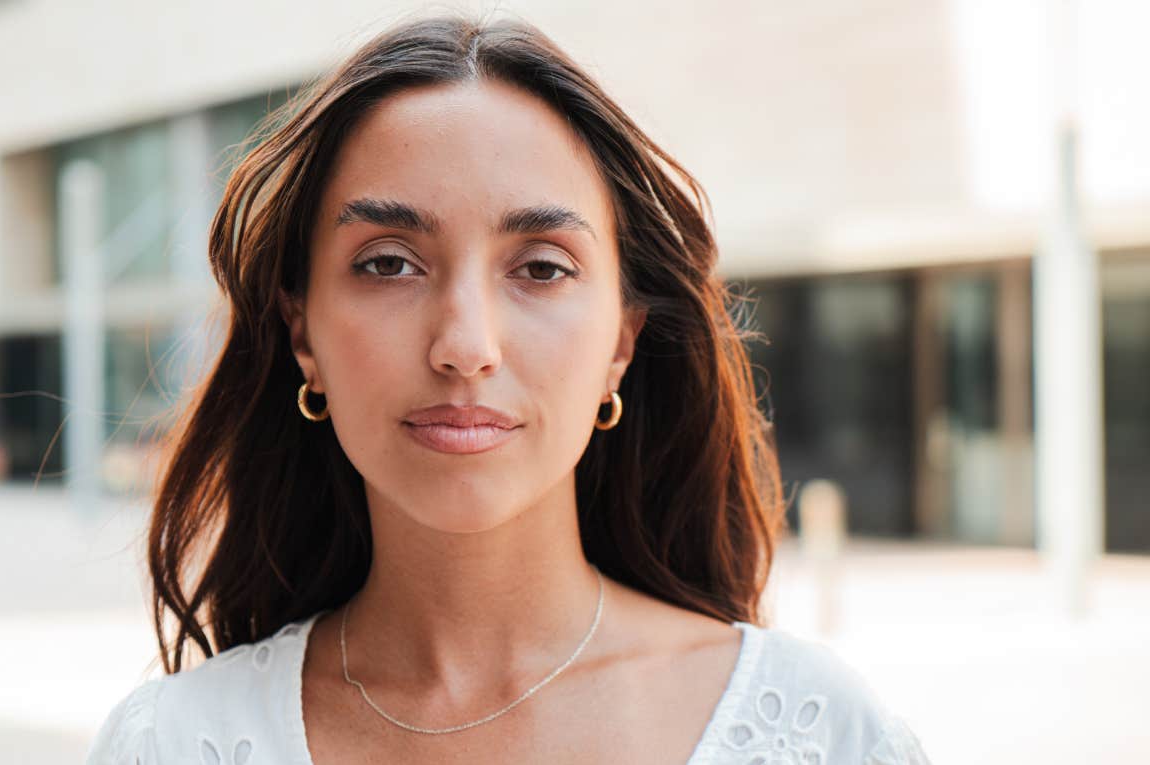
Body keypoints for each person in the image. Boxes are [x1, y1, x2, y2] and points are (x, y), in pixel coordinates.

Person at [86, 11, 931, 764]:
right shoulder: (172, 741)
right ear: (303, 334)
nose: (465, 346)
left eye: (540, 268)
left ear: (621, 344)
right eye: (388, 263)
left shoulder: (826, 735)